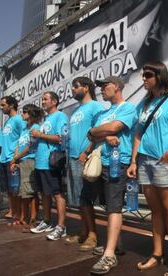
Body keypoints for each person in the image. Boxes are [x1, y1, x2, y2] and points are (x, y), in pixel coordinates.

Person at [127, 61, 168, 276]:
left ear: (159, 76)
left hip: (167, 160)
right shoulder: (143, 103)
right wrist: (134, 161)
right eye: (143, 75)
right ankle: (157, 253)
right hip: (145, 161)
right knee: (155, 211)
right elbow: (137, 134)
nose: (143, 78)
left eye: (148, 75)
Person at [87, 76, 136, 275]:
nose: (101, 90)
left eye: (105, 86)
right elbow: (90, 135)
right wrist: (102, 133)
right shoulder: (101, 113)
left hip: (118, 163)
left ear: (116, 87)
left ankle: (109, 254)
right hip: (101, 163)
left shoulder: (128, 108)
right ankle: (115, 245)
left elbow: (115, 127)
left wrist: (100, 131)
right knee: (108, 206)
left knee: (114, 207)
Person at [64, 77, 104, 250]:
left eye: (75, 86)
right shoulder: (76, 110)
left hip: (85, 158)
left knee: (86, 198)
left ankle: (93, 236)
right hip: (72, 158)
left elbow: (99, 132)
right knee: (79, 199)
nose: (72, 90)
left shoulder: (96, 107)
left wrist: (87, 151)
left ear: (86, 88)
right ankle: (83, 232)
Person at [30, 91, 69, 241]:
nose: (43, 102)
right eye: (42, 99)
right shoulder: (46, 119)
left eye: (45, 99)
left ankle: (61, 226)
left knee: (57, 194)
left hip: (51, 162)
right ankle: (46, 221)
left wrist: (40, 135)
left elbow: (61, 138)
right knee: (44, 193)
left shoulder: (60, 116)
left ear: (54, 102)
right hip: (40, 163)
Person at [10, 104, 44, 230]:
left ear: (31, 114)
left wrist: (16, 157)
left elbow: (30, 147)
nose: (22, 114)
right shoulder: (24, 129)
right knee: (23, 192)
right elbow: (18, 145)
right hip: (21, 162)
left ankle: (33, 220)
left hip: (30, 161)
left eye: (25, 112)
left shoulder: (35, 127)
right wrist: (14, 160)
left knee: (31, 192)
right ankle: (24, 218)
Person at [0, 96, 26, 220]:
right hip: (3, 158)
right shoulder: (8, 121)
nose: (1, 107)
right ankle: (12, 211)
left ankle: (18, 213)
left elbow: (23, 138)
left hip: (12, 159)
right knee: (9, 189)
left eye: (3, 105)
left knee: (16, 188)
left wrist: (16, 157)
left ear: (11, 105)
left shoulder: (19, 119)